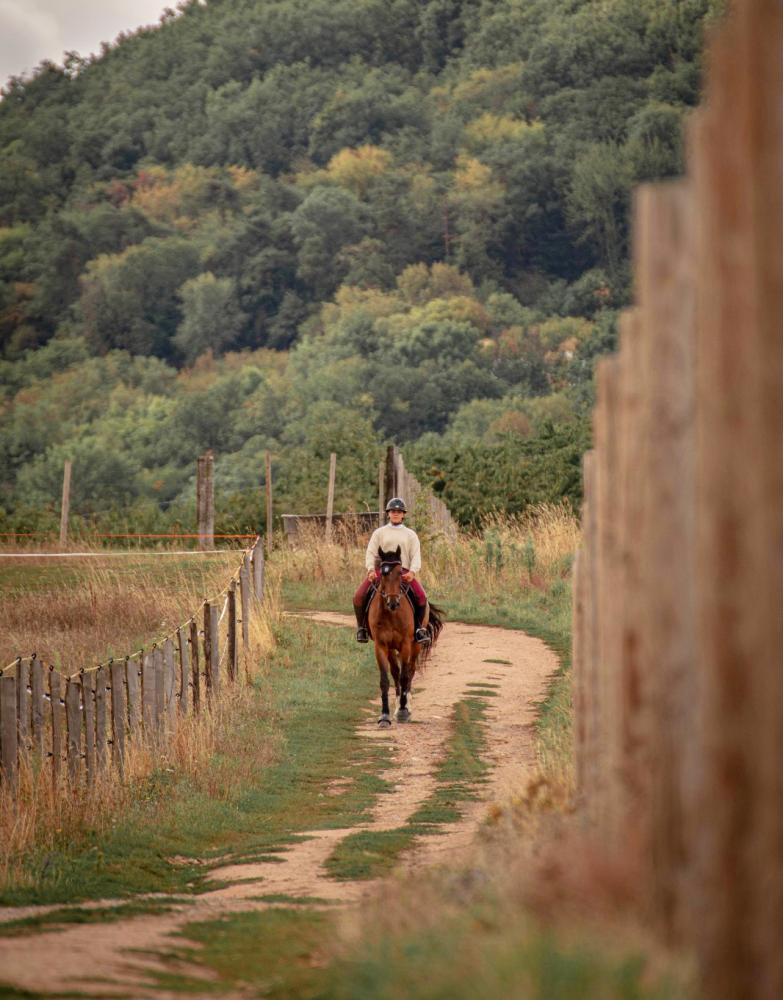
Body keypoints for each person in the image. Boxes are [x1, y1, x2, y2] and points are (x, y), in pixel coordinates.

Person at [353, 497, 430, 644]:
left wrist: (412, 572)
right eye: (393, 511)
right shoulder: (379, 533)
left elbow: (416, 556)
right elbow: (370, 552)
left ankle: (419, 629)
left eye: (399, 511)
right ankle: (362, 628)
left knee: (421, 597)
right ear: (388, 513)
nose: (395, 513)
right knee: (358, 596)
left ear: (403, 515)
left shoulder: (411, 534)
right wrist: (370, 570)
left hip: (403, 572)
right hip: (382, 571)